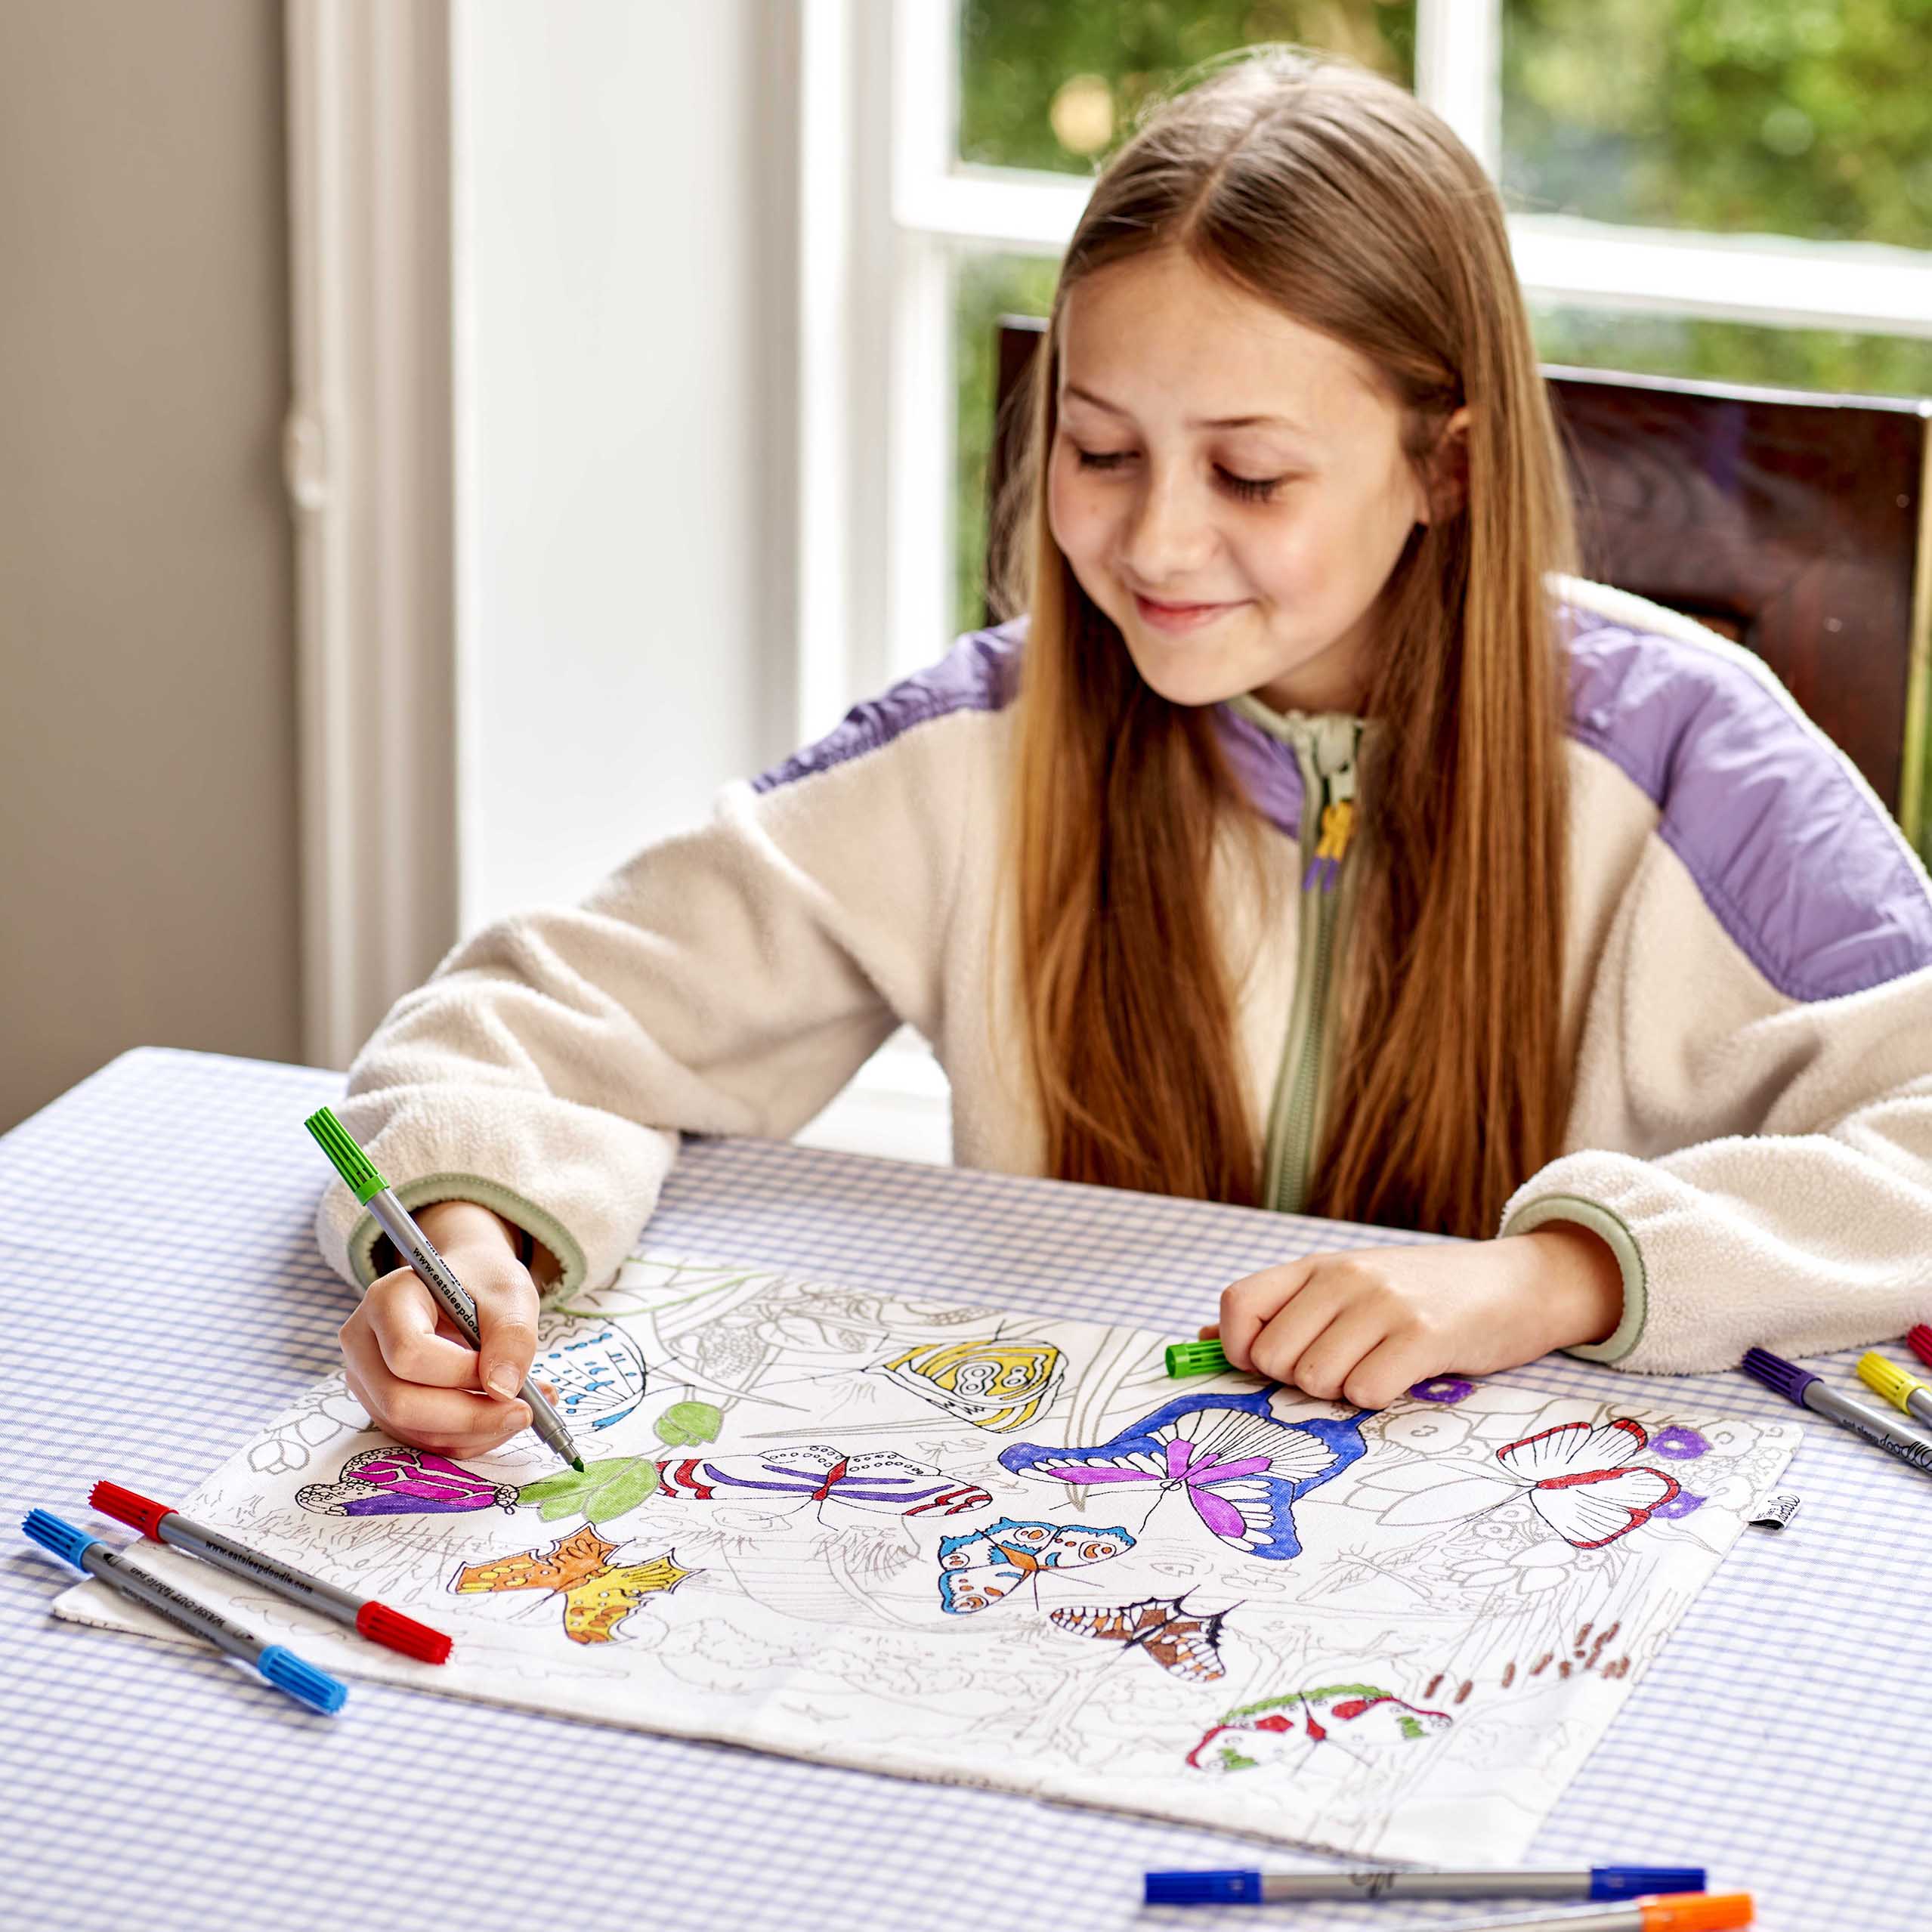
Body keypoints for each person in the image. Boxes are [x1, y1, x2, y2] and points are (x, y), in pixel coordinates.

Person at [317, 46, 1932, 1461]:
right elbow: (523, 1025)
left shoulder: (1694, 761)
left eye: (1249, 475)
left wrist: (1558, 1273)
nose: (1156, 540)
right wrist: (463, 1230)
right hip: (1088, 1536)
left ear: (1447, 467)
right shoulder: (976, 755)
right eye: (1099, 449)